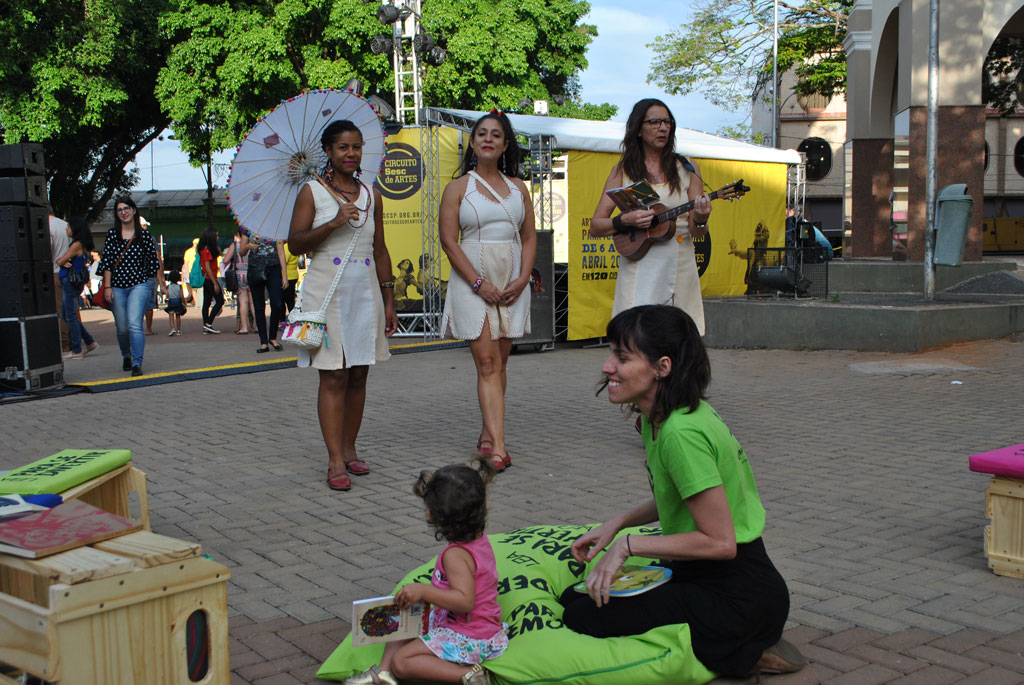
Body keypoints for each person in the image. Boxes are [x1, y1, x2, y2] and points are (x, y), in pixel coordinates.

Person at [559, 305, 804, 678]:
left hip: (737, 598)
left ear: (663, 367)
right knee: (576, 595)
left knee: (579, 613)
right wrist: (618, 524)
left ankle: (746, 646)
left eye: (622, 357)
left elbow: (722, 543)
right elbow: (681, 497)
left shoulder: (681, 434)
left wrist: (628, 545)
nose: (607, 366)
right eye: (610, 354)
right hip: (712, 579)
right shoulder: (658, 419)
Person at [287, 119, 398, 491]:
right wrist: (333, 222)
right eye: (343, 148)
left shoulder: (371, 195)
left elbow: (380, 250)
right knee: (334, 372)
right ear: (329, 153)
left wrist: (389, 299)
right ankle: (334, 458)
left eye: (356, 147)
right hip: (327, 292)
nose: (351, 154)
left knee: (360, 372)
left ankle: (350, 448)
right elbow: (296, 244)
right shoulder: (312, 192)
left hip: (364, 293)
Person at [344, 462, 506, 685]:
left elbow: (464, 601)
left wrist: (424, 591)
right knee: (403, 616)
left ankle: (471, 675)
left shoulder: (455, 555)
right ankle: (383, 673)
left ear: (432, 515)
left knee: (402, 662)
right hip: (471, 626)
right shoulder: (478, 539)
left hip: (468, 636)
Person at [439, 110, 537, 472]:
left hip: (512, 278)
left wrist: (523, 277)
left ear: (505, 144)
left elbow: (528, 237)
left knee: (501, 362)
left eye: (496, 134)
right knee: (487, 362)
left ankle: (487, 431)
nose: (488, 139)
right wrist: (479, 284)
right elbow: (449, 242)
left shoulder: (518, 188)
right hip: (472, 279)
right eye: (481, 133)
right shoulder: (457, 188)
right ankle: (498, 447)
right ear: (473, 141)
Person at [589, 99, 712, 335]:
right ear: (638, 129)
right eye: (655, 122)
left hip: (680, 263)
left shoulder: (687, 167)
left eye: (667, 122)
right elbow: (596, 226)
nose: (663, 128)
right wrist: (625, 221)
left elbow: (698, 231)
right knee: (639, 339)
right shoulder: (623, 170)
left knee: (678, 340)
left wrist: (701, 217)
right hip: (640, 264)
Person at [98, 195, 167, 376]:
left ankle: (137, 363)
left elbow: (153, 263)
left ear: (134, 210)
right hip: (117, 287)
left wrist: (152, 283)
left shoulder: (144, 235)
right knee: (121, 327)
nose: (124, 212)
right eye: (120, 209)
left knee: (135, 324)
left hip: (139, 284)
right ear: (117, 213)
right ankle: (126, 355)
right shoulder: (112, 234)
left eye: (127, 208)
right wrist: (107, 287)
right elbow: (106, 263)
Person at [53, 217, 99, 360]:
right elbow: (64, 261)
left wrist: (61, 261)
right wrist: (63, 261)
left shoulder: (76, 245)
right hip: (71, 282)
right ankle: (89, 341)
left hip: (70, 282)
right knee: (67, 315)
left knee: (70, 315)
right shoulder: (80, 244)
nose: (66, 229)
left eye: (69, 226)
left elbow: (60, 260)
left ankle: (77, 349)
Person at [240, 232, 287, 352]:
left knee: (277, 303)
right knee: (258, 306)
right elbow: (241, 252)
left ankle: (272, 337)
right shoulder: (248, 228)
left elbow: (281, 252)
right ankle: (263, 342)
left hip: (274, 268)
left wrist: (284, 275)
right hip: (255, 268)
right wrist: (248, 246)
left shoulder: (276, 227)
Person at [222, 229, 253, 334]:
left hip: (239, 275)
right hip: (252, 274)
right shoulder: (253, 245)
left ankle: (244, 327)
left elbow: (225, 260)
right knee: (253, 302)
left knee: (243, 302)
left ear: (239, 234)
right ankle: (257, 326)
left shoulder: (235, 245)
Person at [49, 214, 71, 351]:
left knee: (59, 309)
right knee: (69, 307)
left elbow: (48, 248)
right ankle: (71, 339)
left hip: (55, 271)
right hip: (69, 271)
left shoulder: (48, 227)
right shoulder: (65, 225)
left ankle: (64, 342)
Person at [196, 227, 224, 334]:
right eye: (216, 236)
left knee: (207, 303)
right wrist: (215, 283)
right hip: (210, 278)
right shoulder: (207, 250)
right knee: (220, 300)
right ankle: (208, 323)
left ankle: (206, 325)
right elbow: (208, 267)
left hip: (207, 278)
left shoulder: (205, 248)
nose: (218, 237)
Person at [164, 270, 186, 336]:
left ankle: (172, 328)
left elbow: (167, 295)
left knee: (171, 316)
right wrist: (184, 302)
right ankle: (178, 330)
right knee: (178, 316)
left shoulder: (168, 287)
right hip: (178, 301)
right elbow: (182, 296)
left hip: (171, 302)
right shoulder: (179, 286)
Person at [282, 241, 300, 314]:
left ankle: (290, 317)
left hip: (287, 276)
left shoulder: (286, 247)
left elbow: (284, 260)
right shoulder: (293, 246)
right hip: (293, 275)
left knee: (286, 300)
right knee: (290, 299)